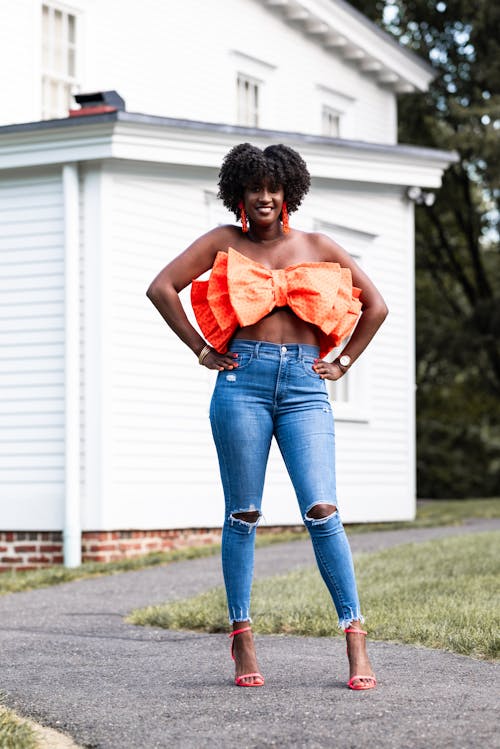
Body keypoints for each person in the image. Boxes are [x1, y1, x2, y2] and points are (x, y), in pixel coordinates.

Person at [146, 142, 388, 690]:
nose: (263, 196)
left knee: (322, 509)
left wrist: (342, 361)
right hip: (241, 383)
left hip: (306, 385)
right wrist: (200, 349)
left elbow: (376, 305)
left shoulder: (318, 245)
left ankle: (354, 635)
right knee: (244, 514)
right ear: (238, 193)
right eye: (253, 187)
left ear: (288, 193)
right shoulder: (221, 242)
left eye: (272, 187)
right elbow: (161, 288)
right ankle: (242, 638)